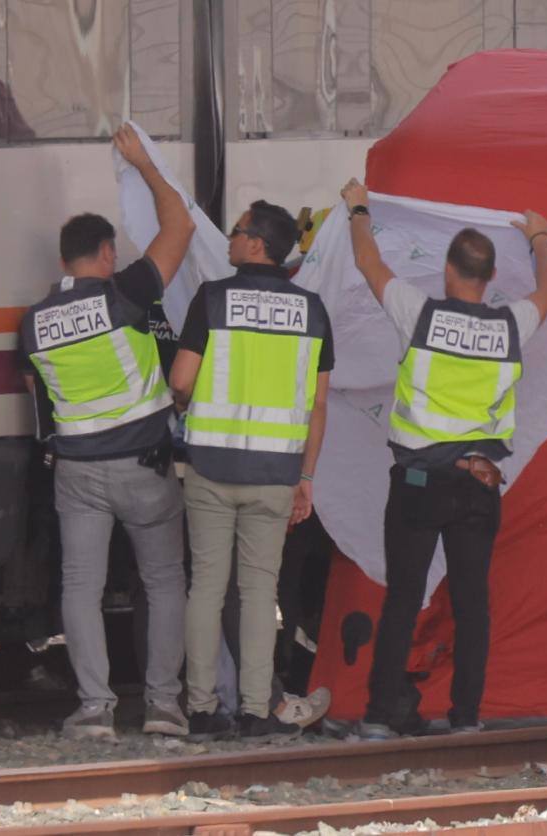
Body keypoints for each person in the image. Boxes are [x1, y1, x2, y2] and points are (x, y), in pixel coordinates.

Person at [339, 178, 547, 738]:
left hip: (418, 483)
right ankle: (465, 718)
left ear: (447, 270)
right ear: (489, 279)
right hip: (479, 485)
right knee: (471, 605)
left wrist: (359, 207)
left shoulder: (420, 313)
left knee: (404, 598)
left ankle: (378, 718)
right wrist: (540, 240)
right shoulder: (511, 324)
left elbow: (369, 262)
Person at [18, 124, 195, 740]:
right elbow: (181, 230)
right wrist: (146, 166)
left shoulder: (34, 324)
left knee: (81, 588)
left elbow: (38, 398)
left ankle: (95, 708)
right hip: (144, 467)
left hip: (78, 475)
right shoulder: (126, 296)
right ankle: (165, 706)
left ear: (64, 259)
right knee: (165, 581)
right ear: (106, 254)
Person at [170, 199, 334, 740]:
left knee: (207, 589)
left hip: (212, 469)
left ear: (257, 243)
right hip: (274, 476)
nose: (231, 240)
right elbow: (317, 406)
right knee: (260, 592)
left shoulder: (213, 299)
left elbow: (182, 381)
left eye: (237, 232)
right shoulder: (312, 311)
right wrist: (306, 478)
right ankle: (256, 710)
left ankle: (199, 709)